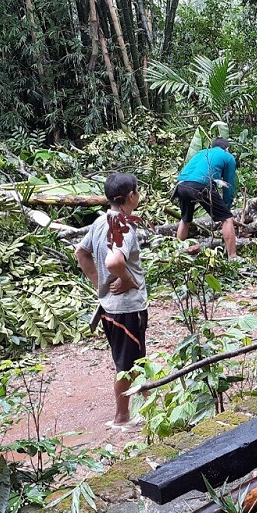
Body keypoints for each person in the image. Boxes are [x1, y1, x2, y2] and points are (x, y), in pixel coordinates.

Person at [75, 172, 147, 430]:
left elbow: (81, 253)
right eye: (137, 191)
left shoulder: (99, 221)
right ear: (131, 196)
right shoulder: (124, 225)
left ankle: (146, 405)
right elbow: (114, 261)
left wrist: (99, 285)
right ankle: (122, 417)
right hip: (126, 308)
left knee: (136, 358)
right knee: (127, 363)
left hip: (109, 307)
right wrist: (127, 279)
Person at [173, 137, 238, 259]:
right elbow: (228, 186)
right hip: (201, 185)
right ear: (227, 148)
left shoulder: (201, 152)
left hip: (181, 185)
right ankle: (233, 256)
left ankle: (177, 254)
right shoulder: (227, 156)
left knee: (185, 219)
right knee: (227, 219)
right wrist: (226, 209)